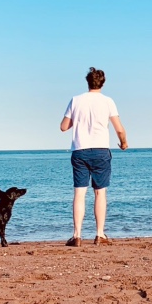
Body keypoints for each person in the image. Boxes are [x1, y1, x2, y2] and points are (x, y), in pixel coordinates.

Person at [60, 67, 128, 245]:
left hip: (80, 150)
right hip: (100, 150)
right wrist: (124, 142)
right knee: (100, 193)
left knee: (79, 194)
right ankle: (99, 234)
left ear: (88, 81)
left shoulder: (76, 100)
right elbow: (119, 128)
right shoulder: (108, 101)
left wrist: (79, 119)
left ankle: (77, 235)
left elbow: (63, 126)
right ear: (102, 83)